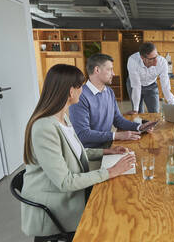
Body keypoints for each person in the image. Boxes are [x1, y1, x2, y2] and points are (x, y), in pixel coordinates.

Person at [21, 64, 136, 239]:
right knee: (114, 213)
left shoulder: (62, 117)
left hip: (71, 191)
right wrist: (112, 171)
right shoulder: (44, 127)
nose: (83, 90)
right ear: (70, 92)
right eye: (80, 86)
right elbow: (66, 182)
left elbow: (74, 152)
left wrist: (107, 151)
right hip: (57, 205)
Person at [69, 53, 155, 149]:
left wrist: (139, 127)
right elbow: (83, 134)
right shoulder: (80, 96)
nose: (113, 73)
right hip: (91, 152)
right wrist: (116, 135)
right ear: (97, 70)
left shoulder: (109, 92)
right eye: (110, 69)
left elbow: (118, 120)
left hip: (108, 145)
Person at [126, 42, 174, 114]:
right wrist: (135, 109)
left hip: (151, 85)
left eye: (156, 56)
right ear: (142, 58)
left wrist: (172, 105)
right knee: (138, 113)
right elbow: (136, 86)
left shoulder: (162, 62)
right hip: (134, 85)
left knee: (154, 113)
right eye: (152, 59)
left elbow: (165, 86)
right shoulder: (133, 61)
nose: (156, 62)